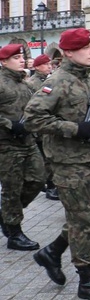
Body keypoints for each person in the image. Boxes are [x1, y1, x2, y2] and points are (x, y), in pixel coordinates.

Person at [24, 29, 90, 299]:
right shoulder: (58, 81)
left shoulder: (89, 80)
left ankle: (51, 252)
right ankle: (86, 280)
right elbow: (33, 118)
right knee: (82, 220)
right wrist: (74, 129)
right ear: (68, 53)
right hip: (67, 163)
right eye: (85, 47)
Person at [0, 43, 45, 251]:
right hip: (7, 145)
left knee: (38, 180)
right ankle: (14, 233)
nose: (22, 60)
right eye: (16, 58)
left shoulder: (24, 84)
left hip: (28, 141)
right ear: (4, 62)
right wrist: (9, 124)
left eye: (22, 57)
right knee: (12, 188)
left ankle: (7, 214)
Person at [26, 53, 58, 201]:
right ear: (38, 66)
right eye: (46, 64)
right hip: (38, 129)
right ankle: (50, 187)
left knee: (49, 158)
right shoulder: (32, 83)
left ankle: (49, 183)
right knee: (46, 159)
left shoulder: (49, 80)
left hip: (47, 126)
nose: (49, 67)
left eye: (50, 64)